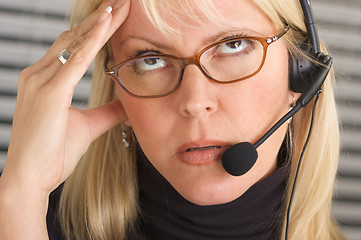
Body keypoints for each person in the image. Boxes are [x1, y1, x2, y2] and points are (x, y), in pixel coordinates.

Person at [0, 0, 347, 239]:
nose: (195, 102)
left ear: (302, 71)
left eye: (233, 45)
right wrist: (22, 194)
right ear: (117, 87)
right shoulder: (25, 219)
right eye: (149, 60)